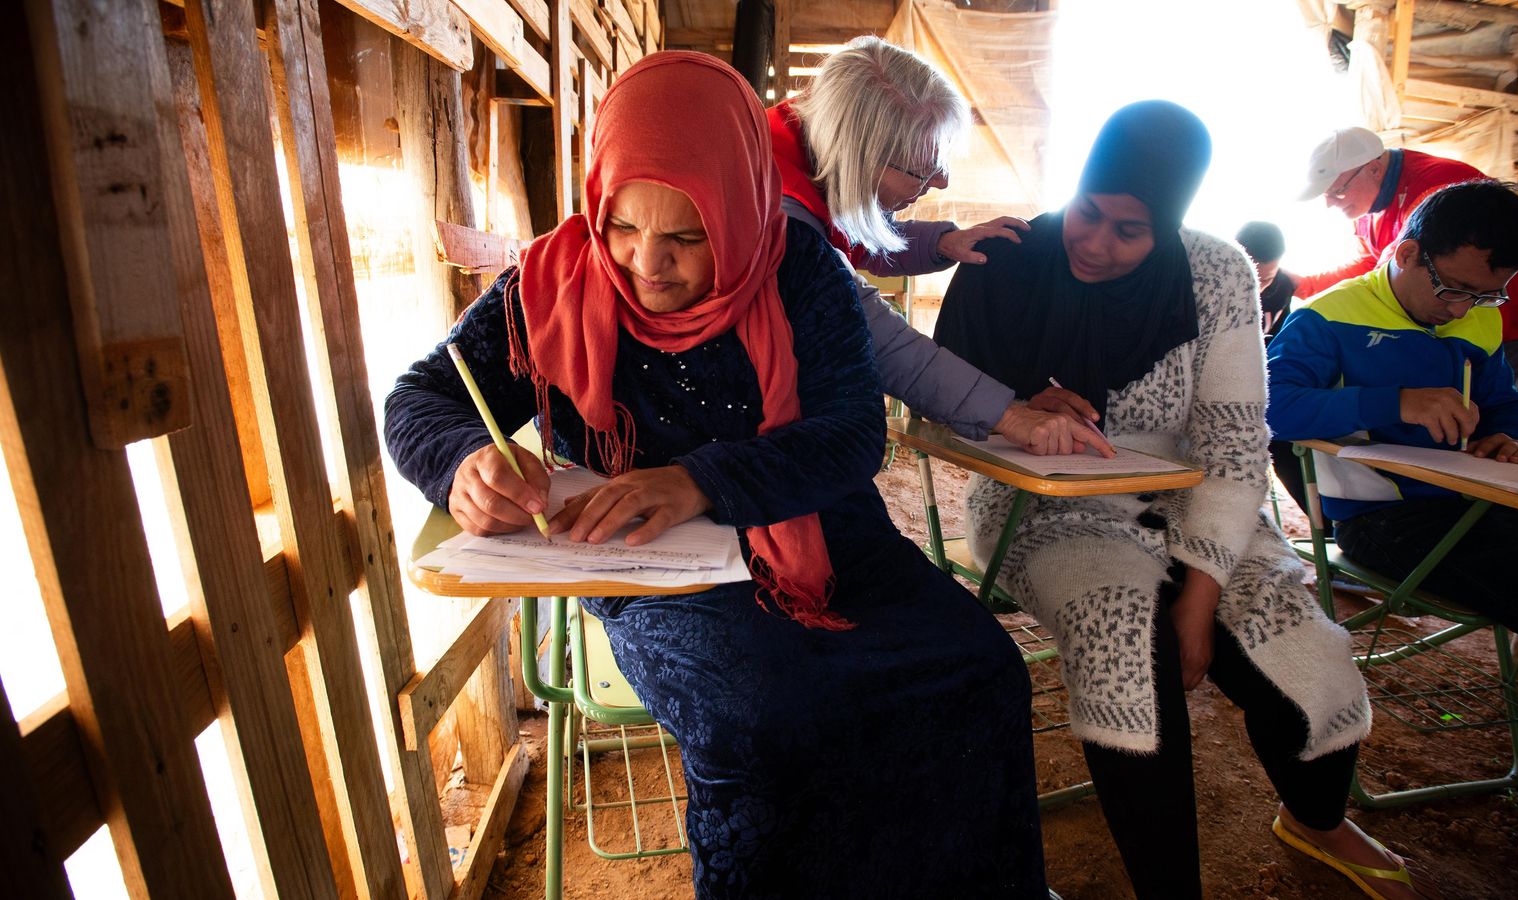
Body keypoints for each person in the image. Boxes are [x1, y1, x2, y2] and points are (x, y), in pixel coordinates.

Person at [385, 52, 1048, 896]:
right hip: (644, 562)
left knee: (978, 668)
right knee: (762, 717)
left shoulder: (799, 269)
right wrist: (460, 460)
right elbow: (424, 395)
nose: (645, 264)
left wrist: (700, 479)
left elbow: (851, 436)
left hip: (822, 535)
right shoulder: (554, 276)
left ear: (740, 207)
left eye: (687, 237)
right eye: (623, 227)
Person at [935, 100, 1427, 900]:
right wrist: (1018, 409)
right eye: (1089, 214)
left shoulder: (1219, 271)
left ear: (1170, 221)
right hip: (1048, 510)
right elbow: (945, 398)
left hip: (1202, 499)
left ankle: (1315, 816)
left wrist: (1201, 597)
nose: (1096, 244)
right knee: (1126, 649)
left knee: (1309, 658)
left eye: (1130, 231)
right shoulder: (1012, 259)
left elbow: (1236, 445)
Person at [1266, 180, 1518, 893]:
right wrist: (1396, 402)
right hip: (1389, 524)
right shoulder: (1329, 318)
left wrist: (1511, 439)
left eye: (1487, 297)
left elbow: (1507, 403)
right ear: (1407, 252)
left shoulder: (1474, 322)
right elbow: (1272, 407)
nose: (1465, 311)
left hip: (1485, 502)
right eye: (1453, 291)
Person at [770, 35, 1108, 457]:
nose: (941, 182)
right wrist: (1008, 414)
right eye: (921, 170)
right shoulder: (777, 214)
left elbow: (854, 236)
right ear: (858, 158)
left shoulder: (807, 147)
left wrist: (943, 242)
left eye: (940, 164)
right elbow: (867, 327)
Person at [1291, 126, 1518, 387]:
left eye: (1337, 191)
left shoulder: (1439, 187)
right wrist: (1302, 285)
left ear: (1373, 168)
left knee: (1483, 408)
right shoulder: (1367, 207)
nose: (1330, 203)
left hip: (1504, 317)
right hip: (1446, 312)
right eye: (1325, 195)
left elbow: (1386, 273)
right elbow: (1369, 265)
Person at [1237, 220, 1296, 339]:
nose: (1256, 288)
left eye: (1265, 280)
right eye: (1248, 278)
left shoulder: (1283, 288)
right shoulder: (1212, 289)